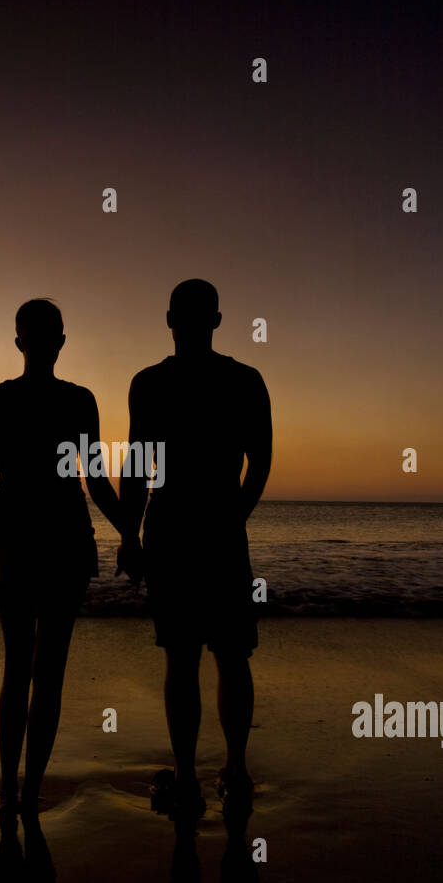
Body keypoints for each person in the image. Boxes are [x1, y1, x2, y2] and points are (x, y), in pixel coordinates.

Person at [0, 299, 136, 820]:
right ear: (59, 342)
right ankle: (28, 793)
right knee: (49, 671)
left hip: (15, 540)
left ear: (19, 341)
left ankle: (8, 789)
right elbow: (95, 482)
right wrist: (132, 535)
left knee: (17, 666)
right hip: (64, 540)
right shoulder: (78, 400)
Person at [118, 279, 272, 817]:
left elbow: (138, 462)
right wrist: (237, 515)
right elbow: (261, 461)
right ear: (217, 320)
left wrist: (128, 535)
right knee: (232, 652)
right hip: (220, 526)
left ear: (168, 319)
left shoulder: (151, 383)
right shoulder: (244, 380)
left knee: (182, 656)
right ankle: (235, 768)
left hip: (173, 524)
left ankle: (186, 776)